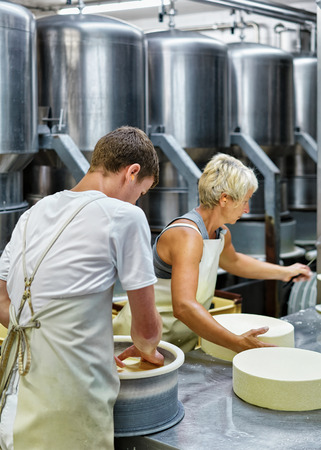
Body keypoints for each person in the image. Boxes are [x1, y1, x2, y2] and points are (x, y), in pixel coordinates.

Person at [0, 126, 164, 450]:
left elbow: (3, 300)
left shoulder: (32, 215)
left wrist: (59, 340)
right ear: (132, 173)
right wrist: (148, 350)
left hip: (13, 403)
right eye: (141, 192)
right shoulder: (124, 216)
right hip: (69, 412)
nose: (137, 201)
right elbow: (145, 329)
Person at [113, 153, 312, 353]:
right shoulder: (187, 236)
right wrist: (237, 343)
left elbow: (234, 262)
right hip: (139, 342)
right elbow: (183, 306)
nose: (247, 209)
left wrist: (284, 272)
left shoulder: (220, 233)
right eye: (245, 201)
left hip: (178, 340)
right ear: (224, 199)